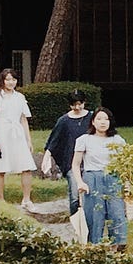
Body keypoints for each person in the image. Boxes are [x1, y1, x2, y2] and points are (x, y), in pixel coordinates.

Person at [71, 108, 129, 248]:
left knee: (117, 214)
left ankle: (118, 248)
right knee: (94, 216)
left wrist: (127, 184)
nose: (103, 122)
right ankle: (94, 248)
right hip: (92, 179)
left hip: (113, 179)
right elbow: (76, 164)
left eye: (106, 119)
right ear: (93, 122)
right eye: (99, 119)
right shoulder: (84, 140)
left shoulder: (117, 140)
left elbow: (125, 164)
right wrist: (80, 182)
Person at [0, 69, 37, 210]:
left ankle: (26, 199)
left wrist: (28, 140)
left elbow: (23, 119)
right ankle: (1, 201)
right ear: (2, 81)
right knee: (0, 168)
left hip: (17, 134)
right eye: (8, 79)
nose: (11, 82)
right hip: (1, 133)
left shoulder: (20, 97)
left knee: (26, 167)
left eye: (14, 79)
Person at [41, 89, 96, 217]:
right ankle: (76, 223)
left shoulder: (92, 118)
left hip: (91, 161)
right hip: (72, 162)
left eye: (80, 103)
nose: (77, 107)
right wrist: (47, 157)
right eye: (74, 104)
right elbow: (54, 140)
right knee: (75, 197)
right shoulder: (64, 121)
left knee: (93, 194)